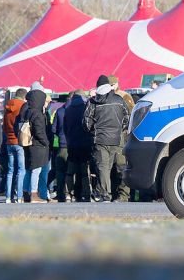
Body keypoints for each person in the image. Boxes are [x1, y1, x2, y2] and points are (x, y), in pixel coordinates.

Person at [83, 75, 130, 203]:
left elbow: (86, 122)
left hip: (100, 139)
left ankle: (105, 195)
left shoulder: (93, 102)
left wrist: (93, 132)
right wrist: (119, 130)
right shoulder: (119, 100)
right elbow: (127, 118)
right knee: (109, 167)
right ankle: (108, 193)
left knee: (103, 167)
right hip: (116, 139)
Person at [20, 89, 52, 203]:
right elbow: (39, 131)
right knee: (36, 170)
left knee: (29, 169)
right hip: (38, 146)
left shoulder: (26, 111)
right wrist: (46, 142)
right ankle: (34, 194)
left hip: (28, 144)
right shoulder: (37, 113)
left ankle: (25, 194)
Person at [108, 75, 134, 202]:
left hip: (122, 137)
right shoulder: (105, 97)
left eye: (112, 85)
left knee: (121, 166)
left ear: (116, 84)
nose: (111, 88)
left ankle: (123, 195)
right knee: (112, 168)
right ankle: (113, 193)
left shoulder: (124, 96)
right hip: (110, 137)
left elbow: (131, 117)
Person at [51, 91, 78, 202]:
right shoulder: (76, 110)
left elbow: (54, 129)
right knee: (72, 171)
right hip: (73, 144)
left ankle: (61, 194)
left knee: (60, 171)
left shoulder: (59, 111)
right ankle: (71, 193)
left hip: (61, 145)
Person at [2, 88, 27, 203]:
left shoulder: (7, 107)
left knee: (10, 170)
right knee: (21, 170)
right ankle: (19, 196)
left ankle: (8, 196)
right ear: (24, 96)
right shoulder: (23, 105)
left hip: (9, 141)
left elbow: (4, 126)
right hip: (19, 141)